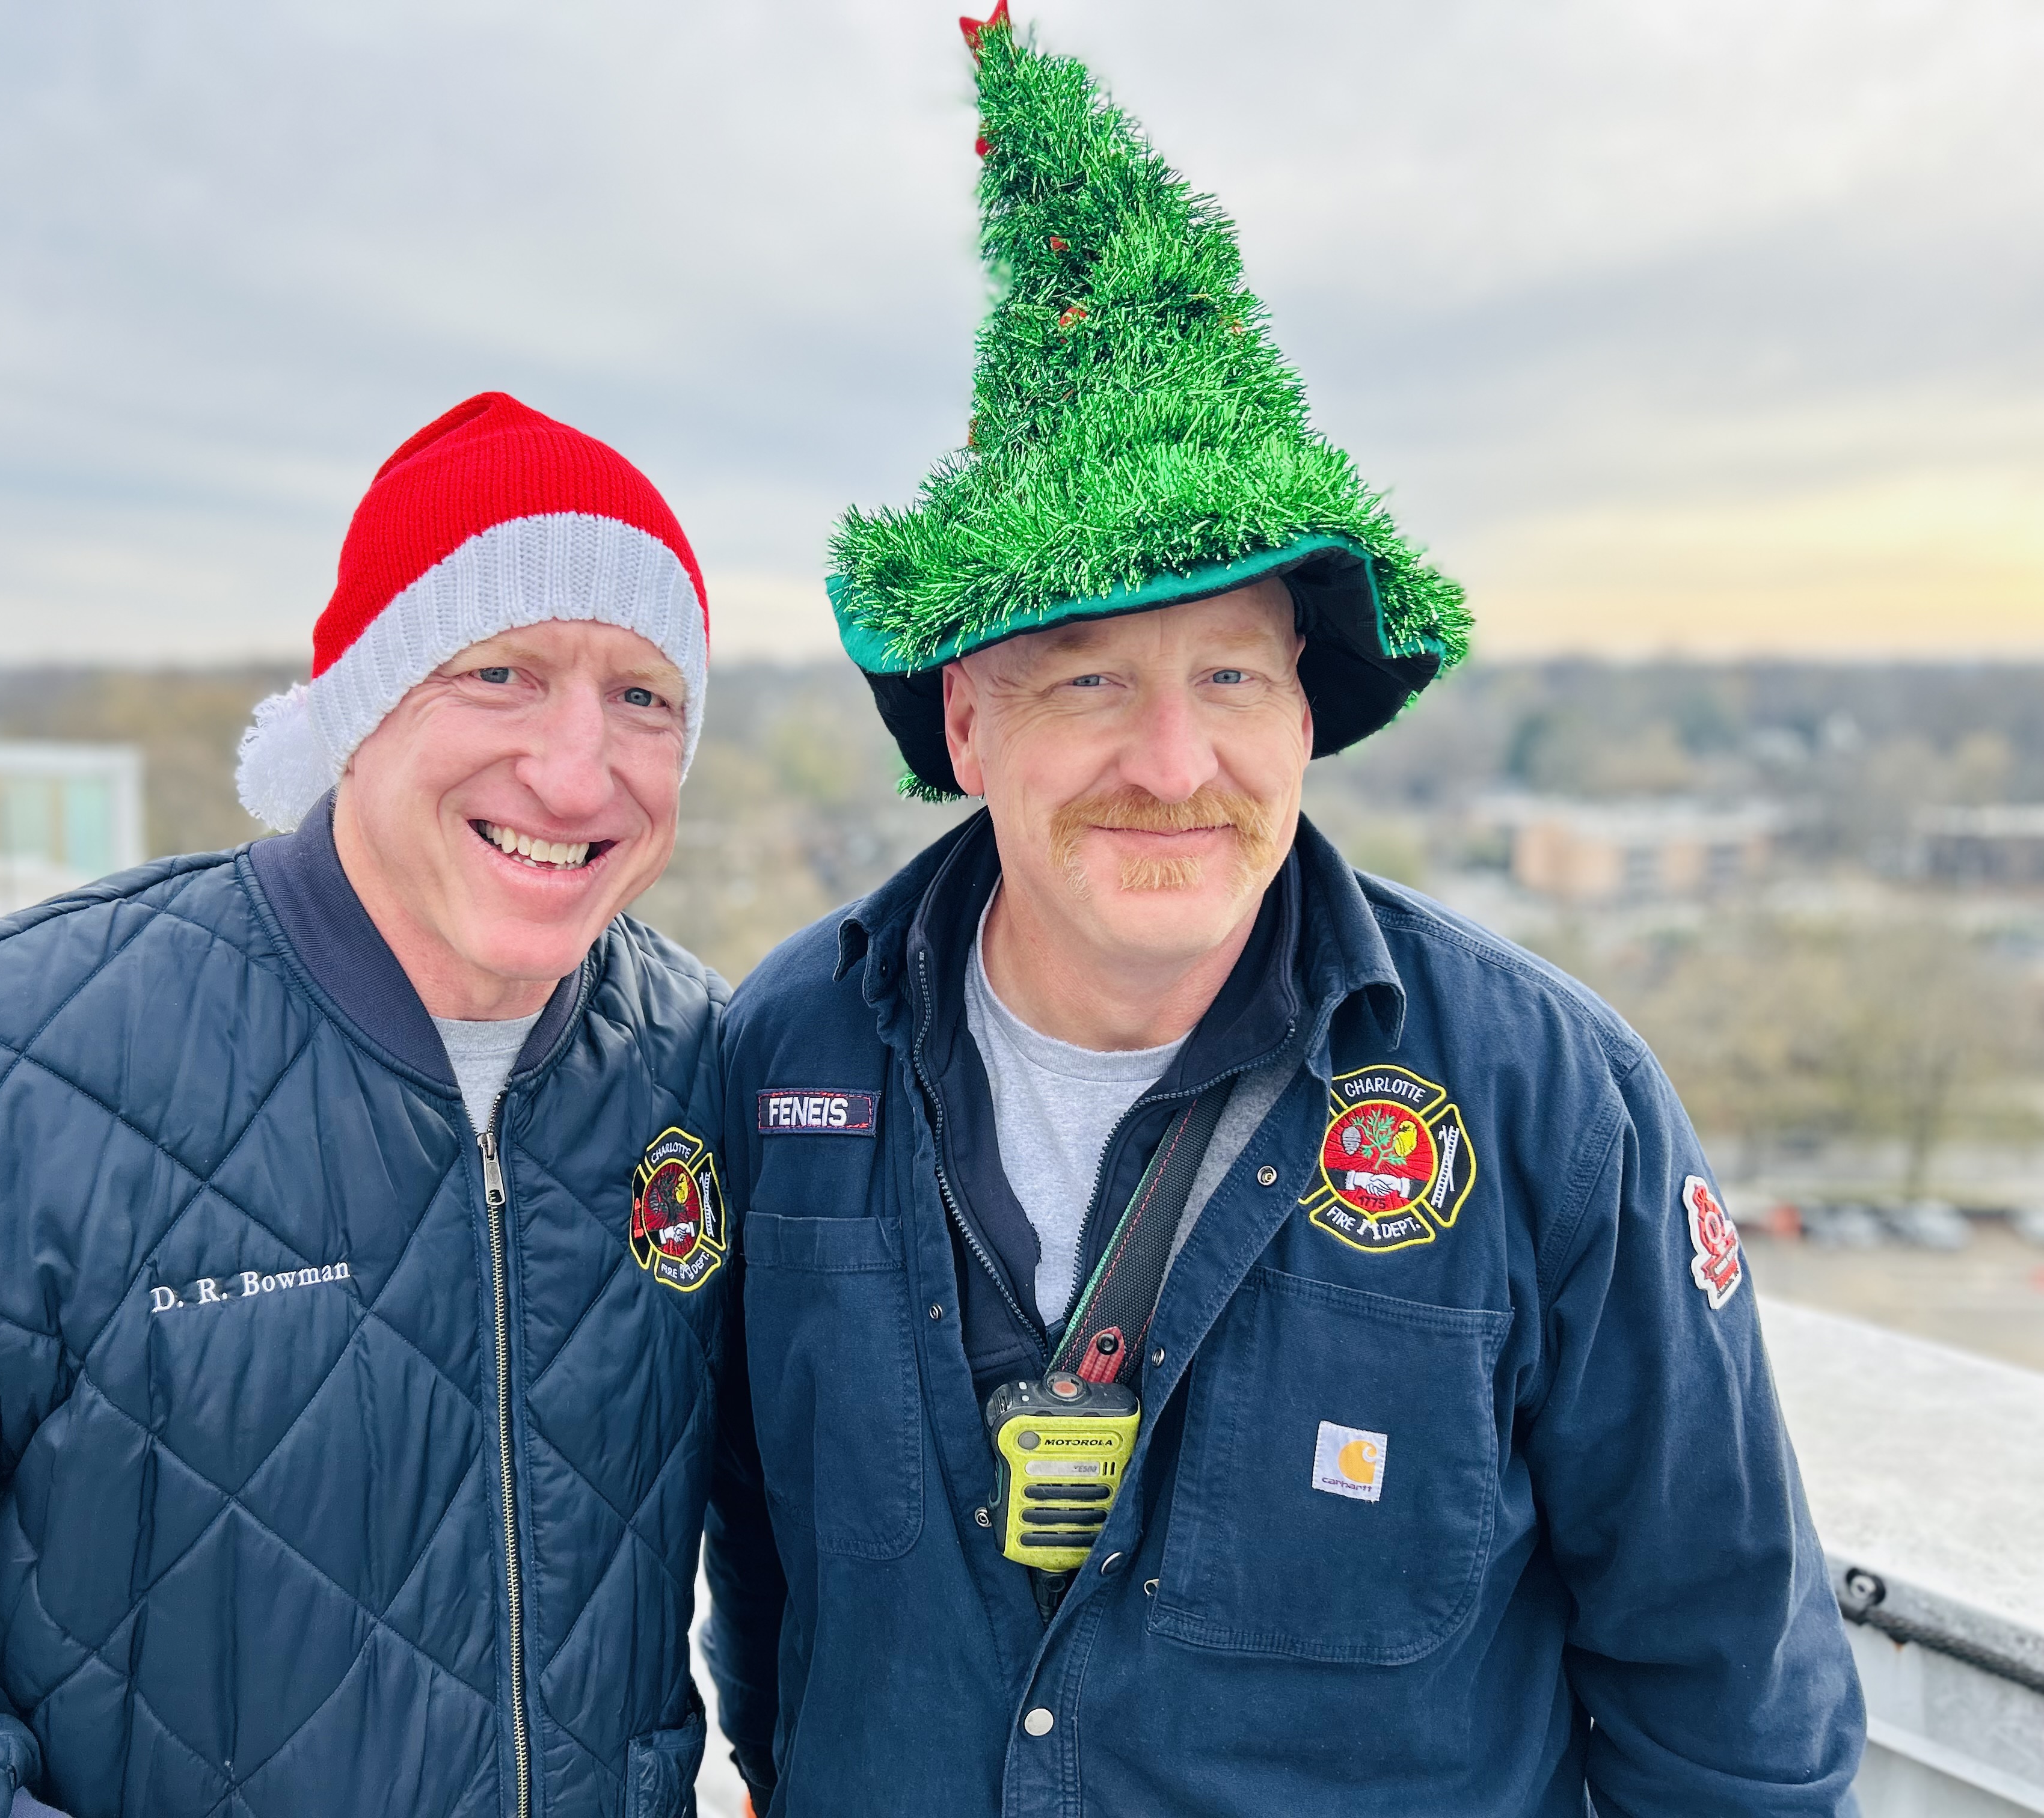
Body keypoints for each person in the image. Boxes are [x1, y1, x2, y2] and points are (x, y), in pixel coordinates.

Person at [701, 12, 1863, 1815]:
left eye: (1234, 678)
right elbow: (765, 1595)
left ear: (1309, 716)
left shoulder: (1549, 1103)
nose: (1176, 762)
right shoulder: (785, 1052)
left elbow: (1727, 1695)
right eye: (1088, 682)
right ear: (966, 720)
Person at [0, 394, 735, 1818]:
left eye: (643, 697)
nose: (578, 770)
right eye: (499, 672)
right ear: (358, 704)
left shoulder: (703, 1066)